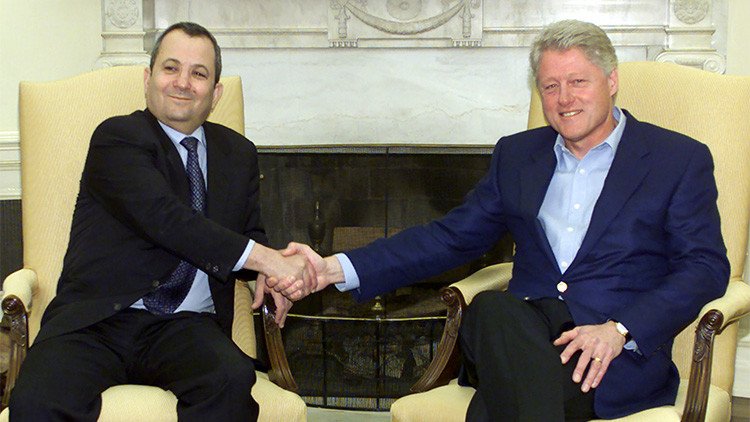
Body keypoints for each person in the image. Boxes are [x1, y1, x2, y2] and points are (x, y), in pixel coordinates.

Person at [273, 20, 729, 420]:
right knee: (492, 309)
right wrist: (331, 268)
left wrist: (620, 330)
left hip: (608, 359)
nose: (564, 99)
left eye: (578, 82)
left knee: (499, 399)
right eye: (550, 86)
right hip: (518, 332)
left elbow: (705, 266)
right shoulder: (517, 155)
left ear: (611, 81)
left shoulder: (676, 159)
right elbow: (450, 238)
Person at [9, 22, 313, 421]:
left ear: (215, 94)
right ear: (148, 79)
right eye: (171, 68)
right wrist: (267, 259)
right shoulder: (117, 137)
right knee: (38, 400)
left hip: (187, 327)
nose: (183, 82)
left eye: (199, 73)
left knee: (230, 381)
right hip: (97, 321)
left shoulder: (238, 153)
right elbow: (168, 220)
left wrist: (268, 276)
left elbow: (248, 233)